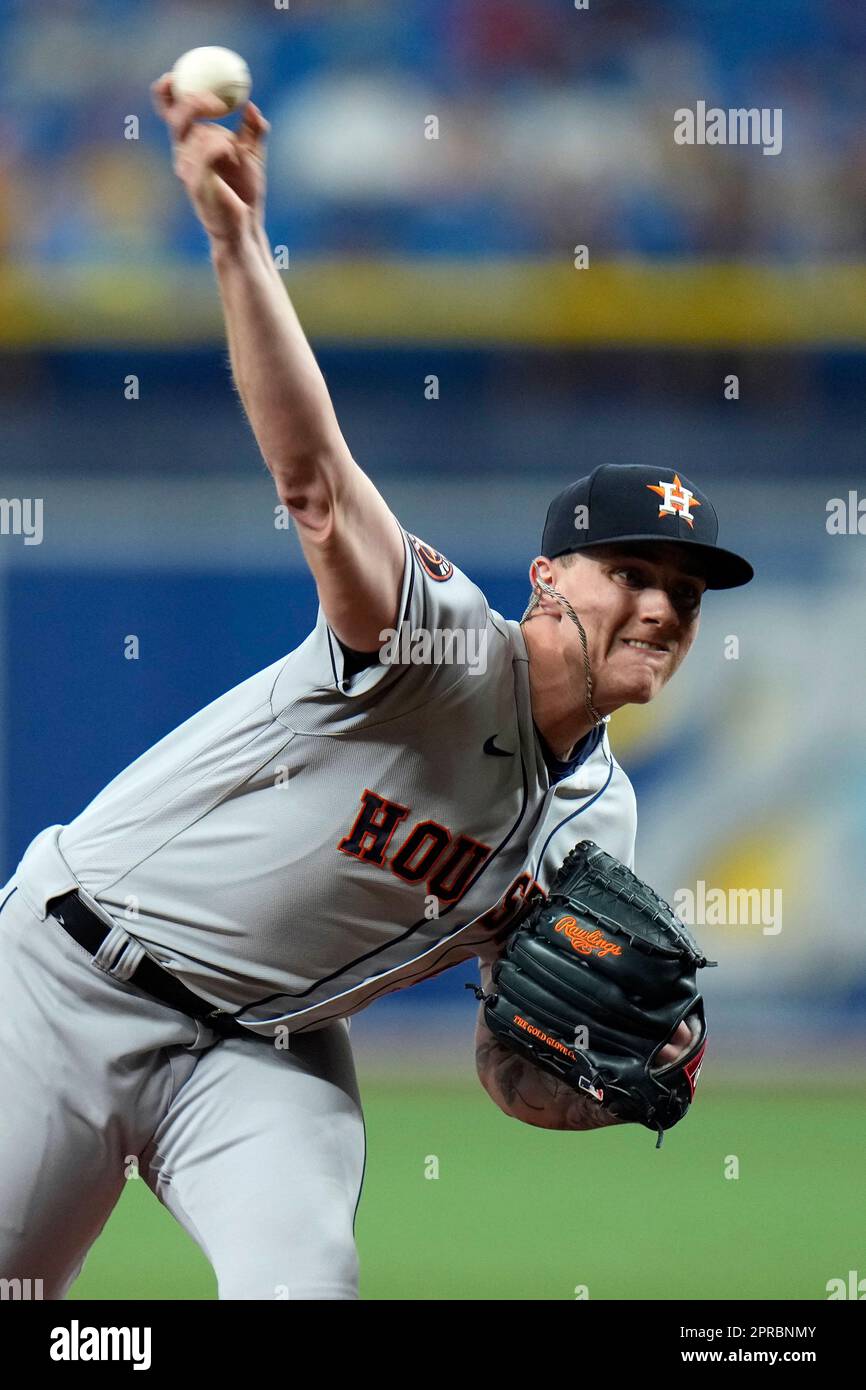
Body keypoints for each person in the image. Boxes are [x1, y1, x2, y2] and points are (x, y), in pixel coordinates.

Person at [0, 84, 753, 1301]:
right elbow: (313, 477)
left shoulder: (596, 824)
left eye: (686, 591)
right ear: (547, 577)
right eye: (633, 574)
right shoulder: (434, 645)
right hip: (69, 982)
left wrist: (592, 1065)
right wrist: (238, 242)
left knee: (308, 1285)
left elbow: (514, 1059)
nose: (663, 608)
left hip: (262, 1053)